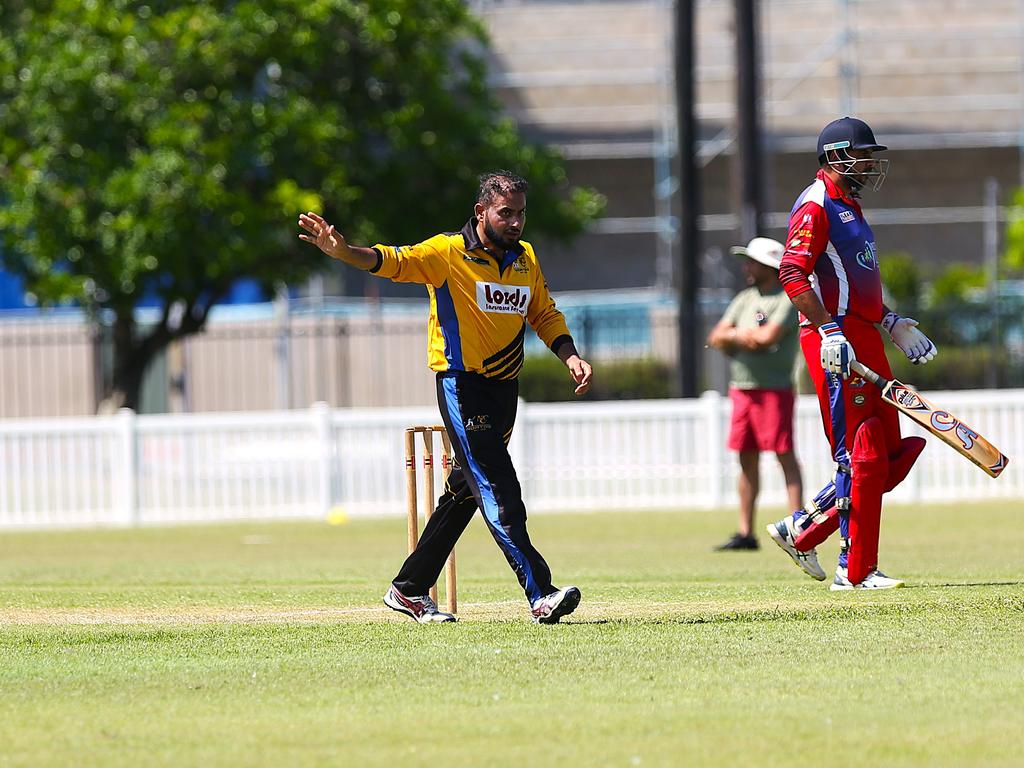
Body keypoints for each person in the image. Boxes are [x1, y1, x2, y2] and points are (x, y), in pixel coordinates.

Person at [298, 171, 593, 623]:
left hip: (504, 389)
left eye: (520, 214)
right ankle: (540, 592)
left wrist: (569, 355)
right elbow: (390, 261)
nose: (515, 223)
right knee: (498, 488)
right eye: (505, 213)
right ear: (481, 212)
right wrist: (342, 251)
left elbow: (543, 313)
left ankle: (409, 589)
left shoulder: (524, 258)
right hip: (462, 385)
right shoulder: (446, 252)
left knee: (464, 493)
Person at [765, 116, 936, 590]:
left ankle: (805, 528)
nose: (870, 164)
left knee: (895, 452)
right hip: (835, 340)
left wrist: (891, 322)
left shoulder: (851, 206)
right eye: (863, 155)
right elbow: (792, 273)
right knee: (861, 455)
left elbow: (856, 285)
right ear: (837, 156)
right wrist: (828, 332)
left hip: (866, 336)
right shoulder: (816, 204)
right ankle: (854, 569)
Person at [706, 237, 804, 552]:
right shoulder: (745, 298)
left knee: (784, 456)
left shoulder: (787, 300)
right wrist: (741, 335)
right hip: (742, 390)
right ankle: (746, 532)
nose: (746, 267)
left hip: (774, 390)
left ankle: (798, 526)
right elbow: (716, 336)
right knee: (745, 458)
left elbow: (767, 337)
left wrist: (736, 336)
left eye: (752, 262)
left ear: (769, 266)